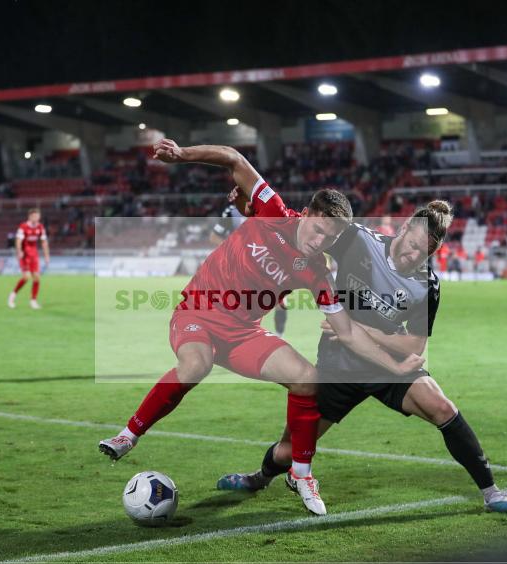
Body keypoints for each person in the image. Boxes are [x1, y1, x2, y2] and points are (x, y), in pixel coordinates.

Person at [98, 139, 424, 515]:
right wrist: (183, 155)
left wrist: (395, 366)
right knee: (195, 365)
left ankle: (300, 473)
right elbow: (234, 158)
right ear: (305, 214)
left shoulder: (317, 273)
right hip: (198, 312)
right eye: (318, 231)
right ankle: (128, 435)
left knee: (307, 378)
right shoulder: (272, 210)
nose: (320, 243)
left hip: (241, 333)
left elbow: (348, 332)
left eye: (330, 239)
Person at [216, 201, 507, 516]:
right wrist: (249, 205)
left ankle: (492, 493)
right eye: (411, 246)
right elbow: (306, 223)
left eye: (423, 253)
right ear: (403, 228)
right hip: (339, 364)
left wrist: (360, 328)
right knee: (289, 450)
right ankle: (257, 479)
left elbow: (414, 346)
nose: (413, 256)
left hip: (386, 365)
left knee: (442, 407)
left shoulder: (427, 285)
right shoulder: (358, 240)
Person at [209, 190, 290, 338]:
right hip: (240, 265)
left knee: (281, 301)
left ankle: (280, 336)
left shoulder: (267, 210)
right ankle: (235, 336)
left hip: (266, 261)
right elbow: (214, 237)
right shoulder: (231, 212)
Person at [8, 208, 50, 309]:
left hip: (34, 255)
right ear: (30, 217)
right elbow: (18, 240)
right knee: (26, 277)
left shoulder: (40, 227)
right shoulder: (23, 227)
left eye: (38, 216)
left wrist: (46, 255)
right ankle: (13, 295)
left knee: (37, 277)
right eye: (34, 216)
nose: (36, 218)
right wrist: (19, 251)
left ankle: (33, 300)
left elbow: (44, 242)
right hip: (24, 255)